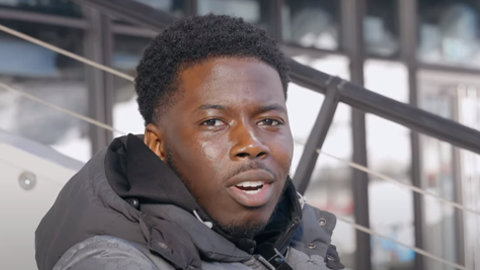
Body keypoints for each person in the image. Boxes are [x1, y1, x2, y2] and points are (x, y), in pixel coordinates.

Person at [35, 14, 344, 270]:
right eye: (213, 122)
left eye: (269, 121)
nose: (252, 144)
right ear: (158, 146)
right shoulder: (111, 262)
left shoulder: (300, 236)